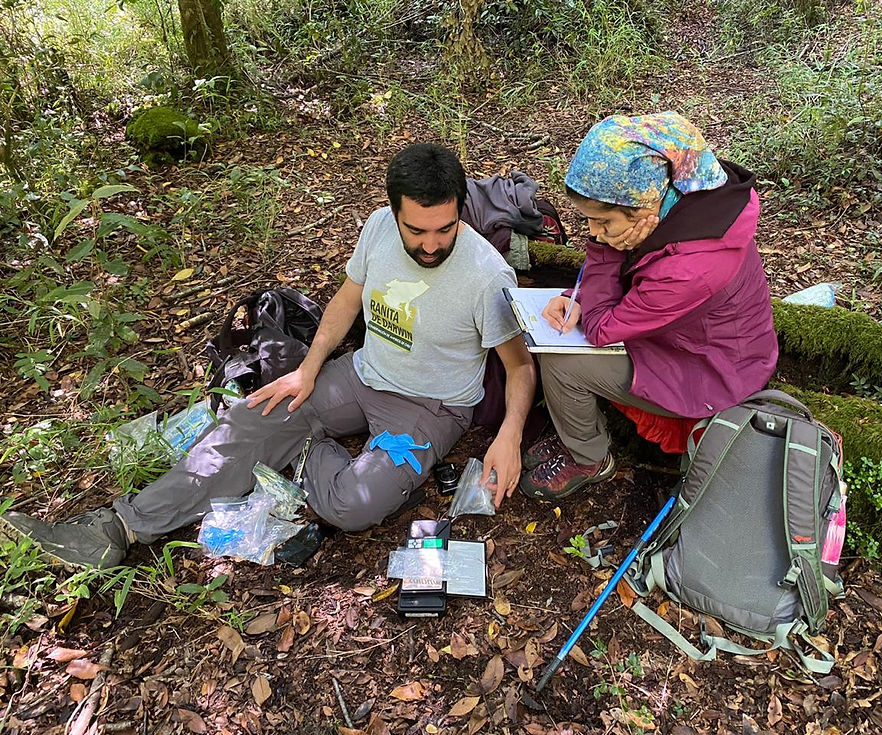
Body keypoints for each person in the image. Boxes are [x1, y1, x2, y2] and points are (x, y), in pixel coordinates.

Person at [1, 143, 537, 568]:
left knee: (353, 504)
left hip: (430, 408)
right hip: (360, 375)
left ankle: (300, 454)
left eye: (445, 228)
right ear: (394, 212)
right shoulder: (377, 227)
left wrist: (509, 435)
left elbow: (519, 365)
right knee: (248, 420)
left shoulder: (486, 275)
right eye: (416, 230)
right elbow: (348, 299)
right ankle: (117, 527)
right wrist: (307, 370)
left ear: (460, 210)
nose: (430, 244)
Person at [519, 112, 778, 501]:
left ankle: (588, 457)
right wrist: (579, 297)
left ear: (643, 208)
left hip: (712, 370)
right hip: (689, 338)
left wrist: (604, 253)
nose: (592, 233)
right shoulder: (686, 198)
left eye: (602, 222)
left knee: (561, 361)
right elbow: (637, 275)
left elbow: (602, 329)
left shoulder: (692, 267)